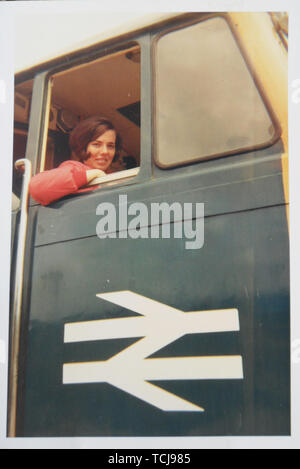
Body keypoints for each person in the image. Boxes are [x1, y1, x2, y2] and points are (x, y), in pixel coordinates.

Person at [29, 116, 121, 206]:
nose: (105, 151)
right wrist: (91, 174)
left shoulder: (116, 177)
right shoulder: (75, 169)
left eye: (110, 146)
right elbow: (36, 187)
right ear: (83, 147)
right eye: (96, 144)